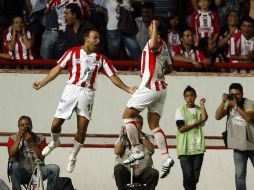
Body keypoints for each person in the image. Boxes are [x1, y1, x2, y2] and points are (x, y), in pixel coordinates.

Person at [32, 28, 137, 173]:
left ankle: (73, 155)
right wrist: (41, 83)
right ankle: (55, 142)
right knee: (55, 125)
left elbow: (113, 76)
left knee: (82, 129)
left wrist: (128, 89)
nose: (98, 41)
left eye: (99, 38)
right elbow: (56, 69)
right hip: (71, 90)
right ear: (86, 38)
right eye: (95, 38)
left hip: (87, 93)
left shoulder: (101, 58)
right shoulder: (71, 52)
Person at [122, 17, 174, 179]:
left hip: (150, 86)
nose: (150, 27)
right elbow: (170, 68)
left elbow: (154, 45)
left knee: (127, 116)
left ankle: (137, 149)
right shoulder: (164, 46)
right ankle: (166, 158)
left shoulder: (156, 42)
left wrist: (156, 27)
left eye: (152, 25)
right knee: (154, 125)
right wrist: (154, 72)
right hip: (161, 88)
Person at [215, 83, 254, 190]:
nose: (235, 97)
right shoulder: (228, 104)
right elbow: (217, 116)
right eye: (232, 94)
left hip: (252, 145)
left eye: (237, 94)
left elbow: (249, 118)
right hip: (238, 146)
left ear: (242, 94)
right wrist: (223, 102)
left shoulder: (249, 103)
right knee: (239, 176)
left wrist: (235, 106)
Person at [7, 115, 60, 190]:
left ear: (31, 125)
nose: (25, 127)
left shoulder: (40, 138)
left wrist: (31, 142)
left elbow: (42, 157)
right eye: (22, 125)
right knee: (14, 166)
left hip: (37, 171)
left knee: (54, 168)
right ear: (18, 127)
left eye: (27, 124)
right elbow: (11, 154)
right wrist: (19, 139)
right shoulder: (13, 138)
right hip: (21, 173)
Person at [175, 86, 208, 190]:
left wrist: (202, 105)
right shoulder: (180, 110)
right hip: (184, 149)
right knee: (188, 176)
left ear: (195, 97)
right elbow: (181, 128)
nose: (189, 98)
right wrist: (196, 123)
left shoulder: (199, 109)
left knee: (195, 177)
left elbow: (205, 117)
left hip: (197, 148)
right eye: (187, 96)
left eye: (192, 95)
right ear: (184, 98)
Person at [114, 115, 159, 190]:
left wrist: (140, 135)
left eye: (137, 123)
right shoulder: (123, 137)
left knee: (153, 173)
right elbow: (117, 151)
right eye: (132, 124)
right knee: (118, 169)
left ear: (141, 125)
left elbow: (151, 149)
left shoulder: (147, 137)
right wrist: (122, 136)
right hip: (127, 172)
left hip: (143, 172)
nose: (134, 126)